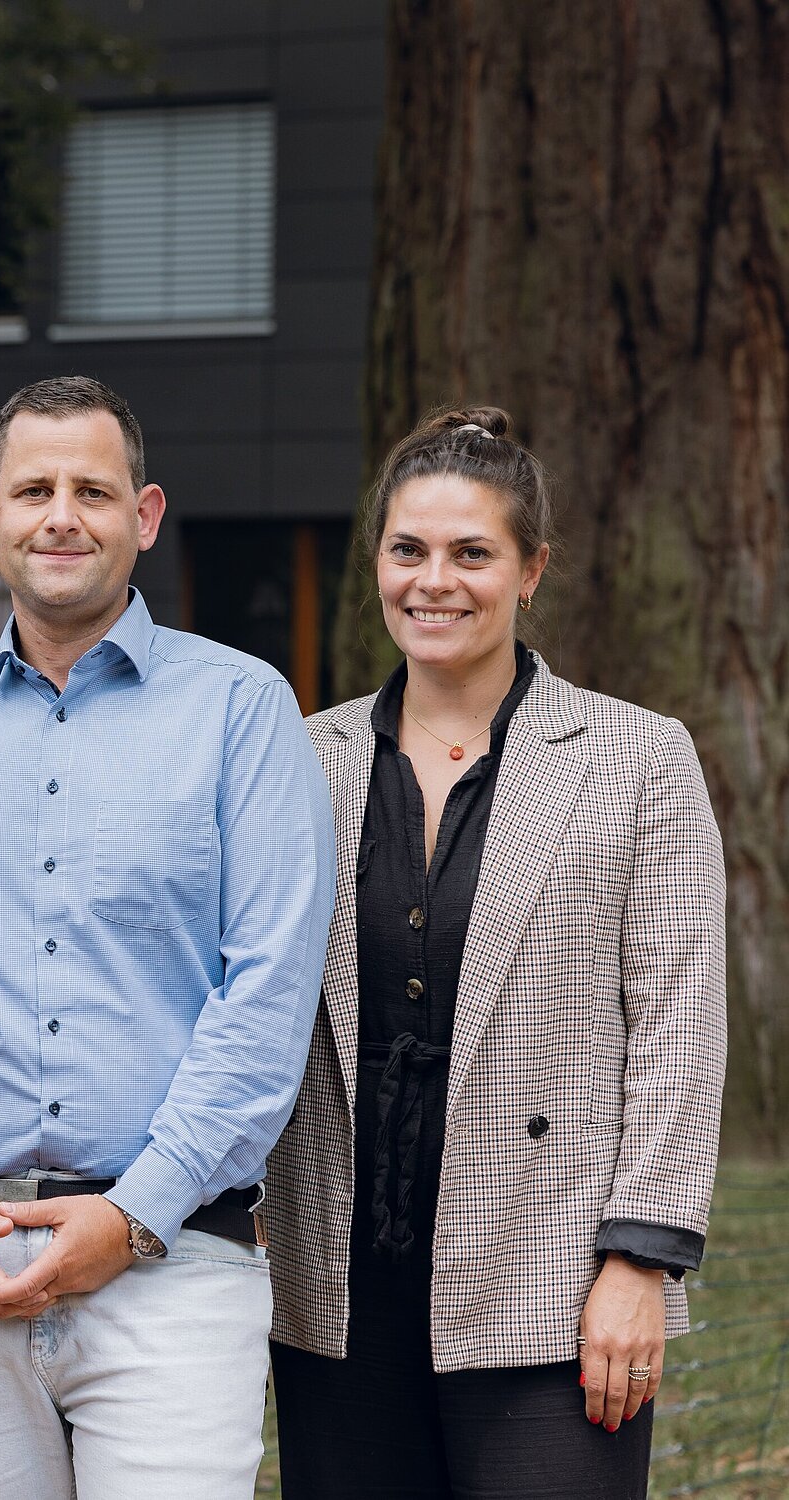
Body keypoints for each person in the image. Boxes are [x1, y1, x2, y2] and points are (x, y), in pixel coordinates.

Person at [0, 375, 336, 1499]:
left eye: (91, 490)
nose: (61, 516)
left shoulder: (241, 710)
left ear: (142, 517)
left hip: (171, 1265)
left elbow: (267, 994)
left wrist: (131, 1215)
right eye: (34, 488)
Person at [266, 407, 728, 1499]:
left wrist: (637, 1265)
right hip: (334, 1279)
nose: (434, 581)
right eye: (406, 550)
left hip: (552, 1278)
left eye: (471, 553)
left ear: (531, 570)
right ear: (374, 560)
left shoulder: (636, 757)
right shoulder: (296, 755)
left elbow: (678, 1030)